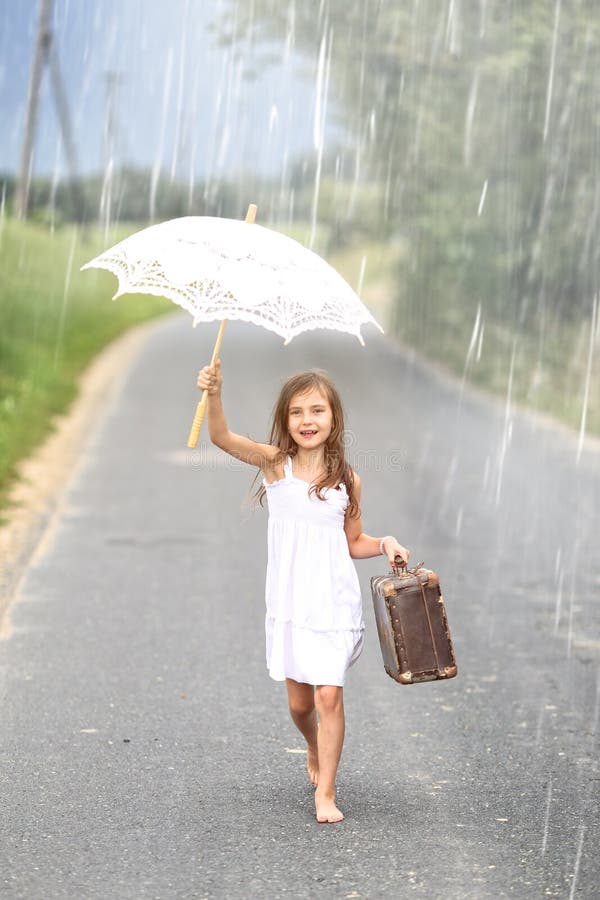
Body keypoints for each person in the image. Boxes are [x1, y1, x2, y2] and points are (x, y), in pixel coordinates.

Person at [196, 359, 410, 824]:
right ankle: (312, 745)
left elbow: (355, 542)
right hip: (292, 602)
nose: (307, 421)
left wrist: (385, 544)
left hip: (333, 601)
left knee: (328, 696)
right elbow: (221, 438)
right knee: (299, 704)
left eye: (317, 410)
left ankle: (326, 793)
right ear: (285, 420)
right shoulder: (276, 465)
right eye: (296, 412)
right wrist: (213, 393)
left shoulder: (347, 480)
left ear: (333, 418)